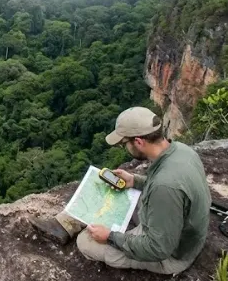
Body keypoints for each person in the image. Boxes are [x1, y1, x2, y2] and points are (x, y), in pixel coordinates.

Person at [30, 107, 211, 275]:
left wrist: (110, 237)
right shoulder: (182, 150)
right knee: (112, 191)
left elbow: (158, 249)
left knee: (85, 242)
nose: (124, 148)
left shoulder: (164, 187)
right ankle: (63, 226)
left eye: (124, 143)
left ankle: (78, 229)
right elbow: (170, 187)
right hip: (174, 222)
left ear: (138, 142)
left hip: (172, 254)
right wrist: (134, 181)